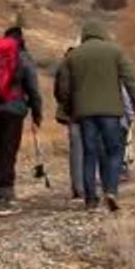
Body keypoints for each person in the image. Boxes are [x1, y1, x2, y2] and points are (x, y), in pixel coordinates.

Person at [57, 19, 135, 212]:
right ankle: (111, 190)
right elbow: (130, 78)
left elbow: (63, 88)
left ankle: (90, 200)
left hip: (84, 113)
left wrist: (69, 107)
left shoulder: (73, 56)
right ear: (102, 33)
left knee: (90, 154)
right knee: (114, 150)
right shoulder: (115, 51)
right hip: (110, 112)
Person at [0, 26, 43, 216]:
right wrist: (36, 114)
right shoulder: (23, 57)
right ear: (21, 40)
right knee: (8, 151)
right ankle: (6, 195)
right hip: (13, 110)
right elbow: (33, 89)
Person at [53, 45, 86, 200]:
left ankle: (77, 187)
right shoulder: (84, 64)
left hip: (72, 114)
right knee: (89, 149)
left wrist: (66, 106)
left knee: (76, 150)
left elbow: (59, 92)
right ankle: (87, 184)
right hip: (87, 112)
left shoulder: (63, 65)